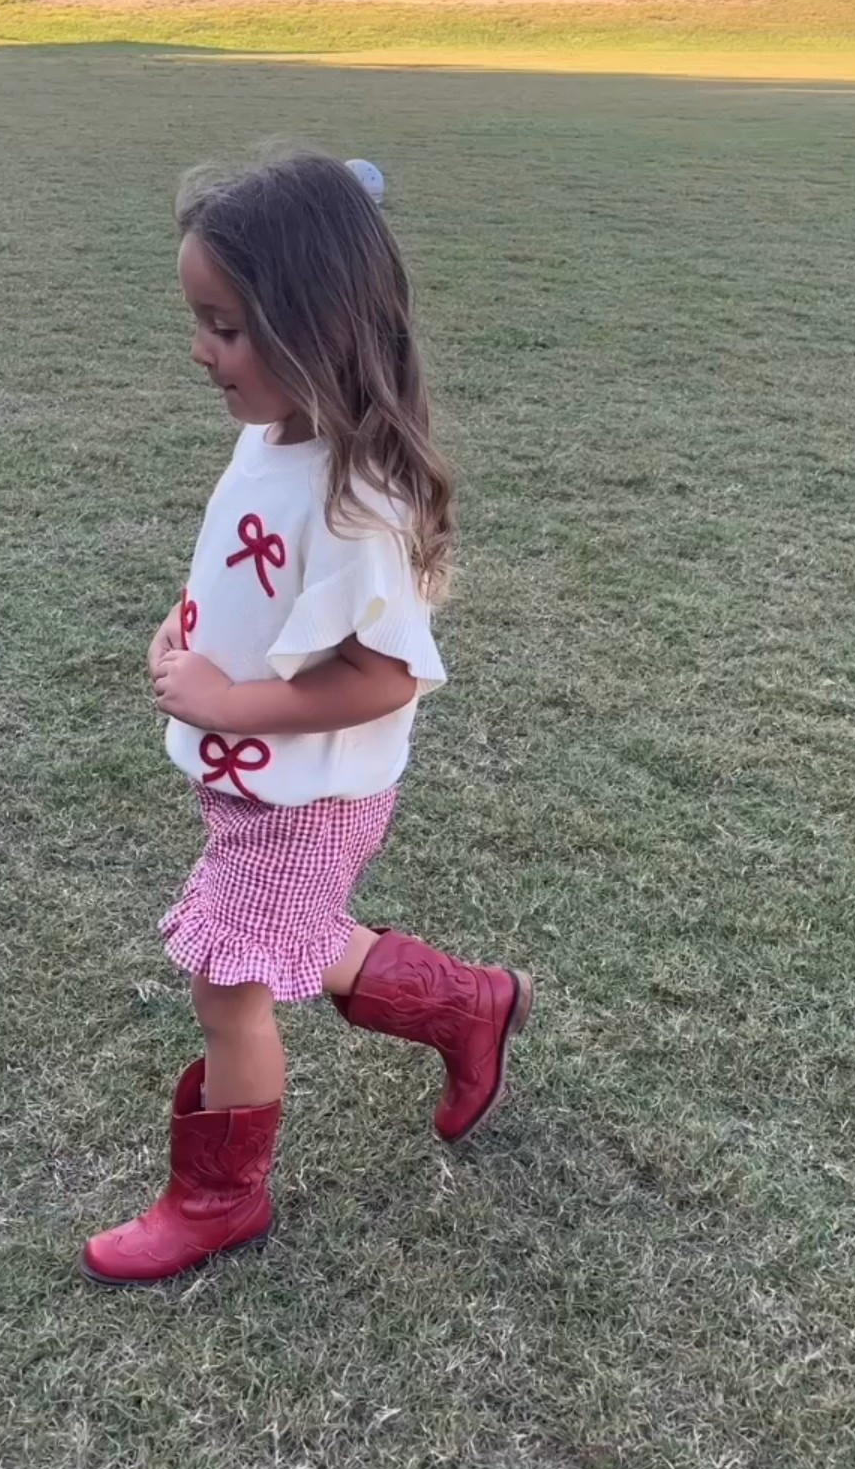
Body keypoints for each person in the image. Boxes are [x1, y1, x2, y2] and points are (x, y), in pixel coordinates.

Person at [82, 148, 533, 1286]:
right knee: (287, 935)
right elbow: (245, 576)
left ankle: (219, 1198)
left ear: (316, 325)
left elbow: (386, 675)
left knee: (229, 981)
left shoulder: (359, 500)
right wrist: (183, 630)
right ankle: (470, 1007)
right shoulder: (277, 435)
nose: (202, 350)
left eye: (226, 327)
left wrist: (231, 702)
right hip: (260, 782)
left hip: (310, 794)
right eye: (199, 321)